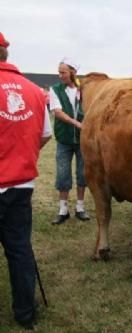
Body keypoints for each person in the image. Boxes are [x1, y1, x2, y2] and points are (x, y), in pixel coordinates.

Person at [0, 32, 52, 330]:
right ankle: (25, 312)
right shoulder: (34, 90)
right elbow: (45, 134)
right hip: (21, 185)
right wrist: (23, 152)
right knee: (20, 249)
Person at [49, 57, 90, 224]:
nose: (60, 75)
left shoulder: (85, 89)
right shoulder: (55, 89)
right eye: (59, 72)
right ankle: (63, 209)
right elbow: (57, 112)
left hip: (82, 140)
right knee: (63, 174)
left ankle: (80, 207)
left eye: (63, 72)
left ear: (73, 72)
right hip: (64, 139)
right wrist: (78, 124)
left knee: (82, 174)